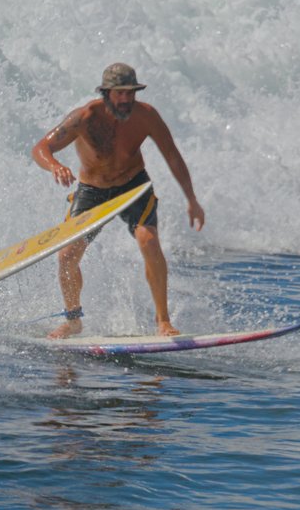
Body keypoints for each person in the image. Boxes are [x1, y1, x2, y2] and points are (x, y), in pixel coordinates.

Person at [31, 63, 205, 339]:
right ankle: (74, 320)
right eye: (120, 93)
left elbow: (172, 155)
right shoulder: (84, 117)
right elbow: (41, 148)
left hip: (133, 186)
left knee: (148, 240)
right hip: (92, 190)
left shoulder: (146, 116)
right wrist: (54, 166)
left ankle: (163, 321)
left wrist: (192, 199)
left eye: (131, 93)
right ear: (106, 93)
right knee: (66, 255)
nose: (126, 99)